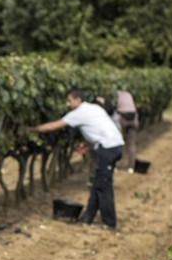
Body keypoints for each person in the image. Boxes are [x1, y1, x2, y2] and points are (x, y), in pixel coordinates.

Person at [28, 88, 124, 230]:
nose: (68, 104)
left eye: (69, 100)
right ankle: (87, 218)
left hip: (108, 148)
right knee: (98, 183)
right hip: (113, 145)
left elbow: (54, 125)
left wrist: (31, 129)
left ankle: (109, 222)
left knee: (103, 186)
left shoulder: (79, 113)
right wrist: (90, 144)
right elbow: (99, 128)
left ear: (78, 100)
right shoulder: (93, 108)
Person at [115, 89, 139, 171]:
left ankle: (116, 165)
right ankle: (131, 167)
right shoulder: (129, 94)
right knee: (131, 143)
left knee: (118, 142)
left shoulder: (116, 94)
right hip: (133, 118)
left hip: (122, 117)